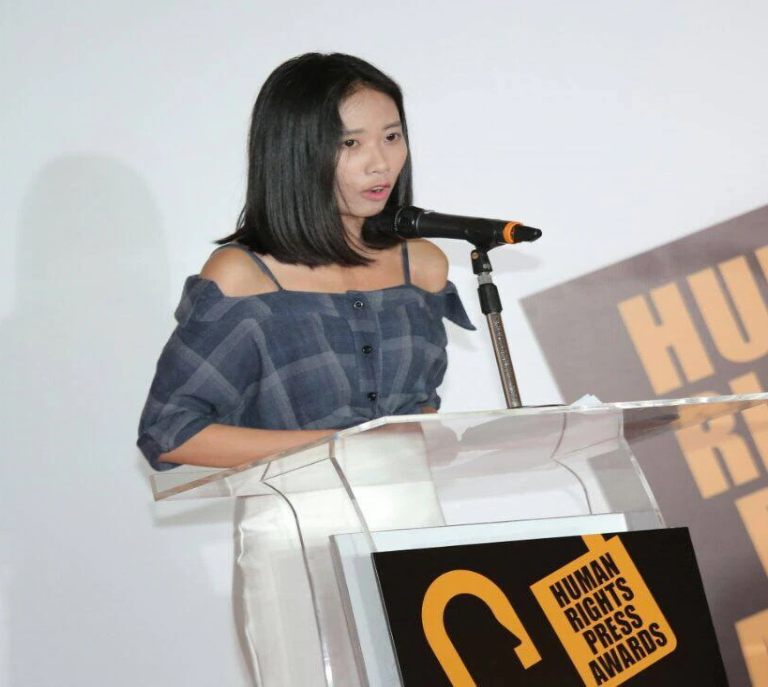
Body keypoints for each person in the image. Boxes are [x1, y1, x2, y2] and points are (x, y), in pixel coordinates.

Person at [137, 53, 474, 686]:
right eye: (351, 144)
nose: (381, 163)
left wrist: (429, 436)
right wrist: (337, 446)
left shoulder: (423, 264)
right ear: (297, 152)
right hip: (296, 536)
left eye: (392, 136)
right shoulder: (243, 276)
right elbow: (170, 431)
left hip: (413, 524)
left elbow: (418, 405)